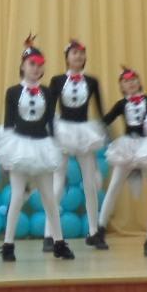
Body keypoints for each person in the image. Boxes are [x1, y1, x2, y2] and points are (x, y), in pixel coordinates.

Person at [0, 35, 74, 262]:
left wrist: (58, 146)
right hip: (19, 147)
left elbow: (50, 122)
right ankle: (8, 245)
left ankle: (59, 243)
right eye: (31, 64)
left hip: (42, 147)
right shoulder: (12, 92)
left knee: (49, 197)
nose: (36, 69)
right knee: (17, 195)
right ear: (23, 66)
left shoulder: (47, 92)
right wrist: (5, 156)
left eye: (39, 65)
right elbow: (8, 124)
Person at [46, 40, 108, 250]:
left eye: (82, 53)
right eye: (74, 53)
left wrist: (110, 132)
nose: (78, 56)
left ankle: (94, 232)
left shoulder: (92, 81)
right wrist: (51, 134)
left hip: (84, 133)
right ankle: (49, 234)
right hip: (63, 131)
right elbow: (49, 109)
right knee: (57, 183)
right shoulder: (56, 80)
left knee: (90, 184)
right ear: (67, 57)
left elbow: (100, 110)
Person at [100, 66, 147, 255]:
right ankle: (99, 229)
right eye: (126, 81)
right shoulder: (121, 104)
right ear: (121, 86)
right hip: (127, 148)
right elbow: (106, 120)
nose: (131, 83)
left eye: (134, 79)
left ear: (139, 82)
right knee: (114, 187)